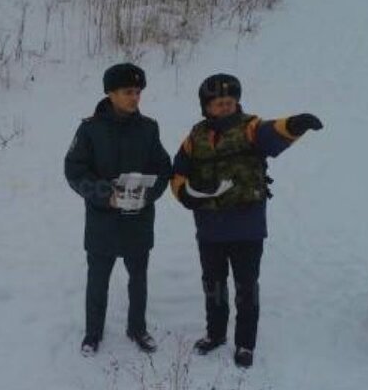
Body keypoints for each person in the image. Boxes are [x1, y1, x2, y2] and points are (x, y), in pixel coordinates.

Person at [170, 73, 323, 368]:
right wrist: (184, 195)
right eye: (218, 103)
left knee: (246, 288)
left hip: (247, 229)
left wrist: (296, 124)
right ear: (206, 107)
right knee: (213, 285)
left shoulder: (251, 127)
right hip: (209, 230)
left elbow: (273, 133)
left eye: (230, 102)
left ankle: (245, 344)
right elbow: (178, 172)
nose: (225, 107)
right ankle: (215, 335)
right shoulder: (195, 137)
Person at [64, 63, 173, 356]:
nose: (135, 98)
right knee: (97, 280)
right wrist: (104, 195)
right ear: (110, 93)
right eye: (128, 92)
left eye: (138, 92)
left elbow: (163, 169)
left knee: (138, 278)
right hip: (102, 221)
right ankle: (93, 333)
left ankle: (137, 328)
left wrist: (147, 195)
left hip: (138, 219)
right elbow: (74, 170)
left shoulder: (149, 128)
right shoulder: (90, 129)